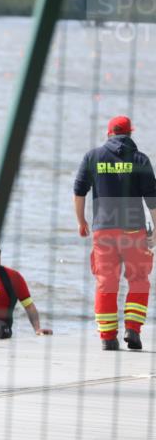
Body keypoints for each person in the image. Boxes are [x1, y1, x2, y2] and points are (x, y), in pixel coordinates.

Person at [74, 115, 156, 350]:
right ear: (131, 132)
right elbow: (153, 200)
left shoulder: (93, 157)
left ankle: (108, 338)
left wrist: (82, 221)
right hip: (134, 229)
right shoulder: (140, 159)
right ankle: (133, 330)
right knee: (139, 280)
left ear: (109, 133)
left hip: (104, 229)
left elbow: (79, 192)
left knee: (106, 282)